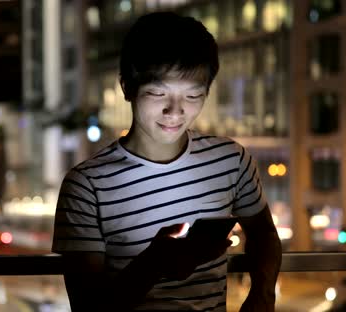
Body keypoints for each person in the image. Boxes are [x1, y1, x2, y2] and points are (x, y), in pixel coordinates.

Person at [51, 11, 282, 312]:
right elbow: (88, 305)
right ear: (126, 87)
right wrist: (154, 264)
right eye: (158, 93)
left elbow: (263, 231)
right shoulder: (86, 185)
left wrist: (262, 295)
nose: (175, 111)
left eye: (192, 96)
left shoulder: (231, 161)